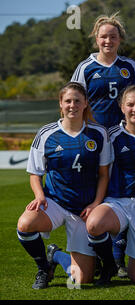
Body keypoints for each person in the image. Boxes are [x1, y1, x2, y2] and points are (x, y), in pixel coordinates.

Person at [16, 82, 111, 289]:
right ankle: (43, 267)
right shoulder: (46, 134)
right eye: (68, 101)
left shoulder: (98, 133)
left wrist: (96, 203)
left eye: (77, 101)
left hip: (84, 209)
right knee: (25, 224)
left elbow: (104, 175)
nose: (72, 105)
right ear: (60, 104)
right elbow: (35, 173)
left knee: (81, 281)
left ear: (86, 103)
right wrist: (40, 196)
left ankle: (56, 255)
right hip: (55, 203)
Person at [71, 12, 135, 277]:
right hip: (95, 141)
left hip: (125, 139)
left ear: (120, 39)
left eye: (113, 36)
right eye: (103, 36)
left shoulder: (132, 67)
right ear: (96, 39)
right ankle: (97, 253)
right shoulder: (86, 67)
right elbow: (75, 100)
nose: (108, 40)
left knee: (121, 193)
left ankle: (118, 257)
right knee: (95, 195)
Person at [77, 84, 135, 285]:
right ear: (122, 107)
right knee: (94, 224)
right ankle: (109, 264)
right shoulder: (110, 135)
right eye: (130, 105)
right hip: (118, 202)